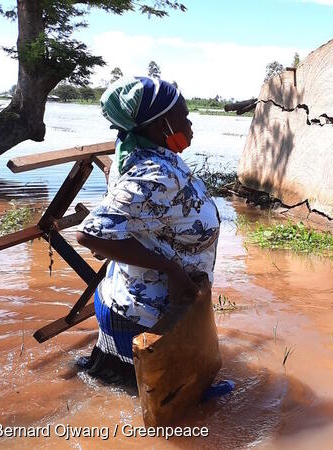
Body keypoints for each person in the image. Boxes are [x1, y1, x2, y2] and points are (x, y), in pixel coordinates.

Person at [75, 76, 220, 385]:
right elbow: (91, 234)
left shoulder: (141, 153)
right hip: (144, 318)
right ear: (162, 125)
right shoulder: (154, 174)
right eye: (185, 115)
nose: (191, 122)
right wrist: (172, 269)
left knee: (112, 383)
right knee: (152, 407)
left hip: (135, 303)